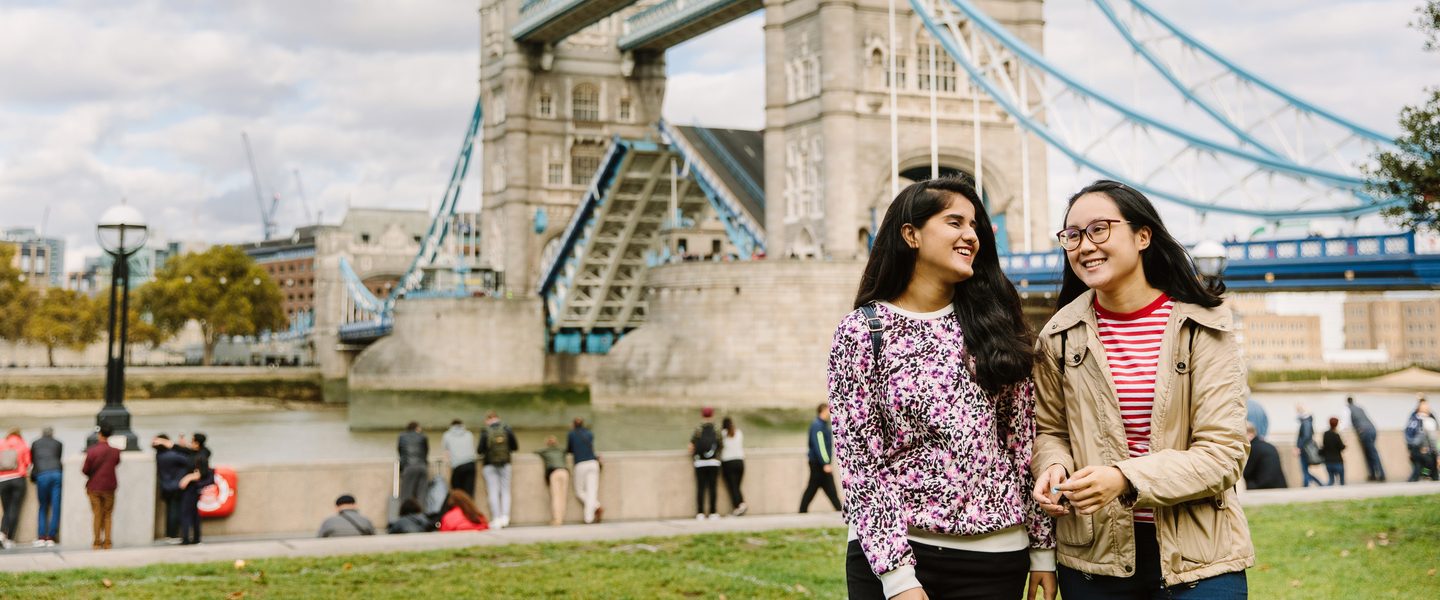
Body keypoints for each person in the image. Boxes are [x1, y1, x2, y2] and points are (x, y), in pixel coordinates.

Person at [830, 177, 1057, 600]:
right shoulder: (863, 332)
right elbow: (860, 463)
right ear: (910, 233)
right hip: (894, 557)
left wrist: (1043, 548)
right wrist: (897, 579)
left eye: (974, 225)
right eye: (955, 222)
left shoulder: (997, 327)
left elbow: (1022, 443)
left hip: (996, 557)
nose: (970, 235)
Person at [1031, 180, 1252, 598]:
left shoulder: (1204, 327)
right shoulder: (1057, 336)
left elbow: (1224, 453)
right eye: (1073, 235)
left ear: (1143, 235)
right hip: (1095, 559)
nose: (1084, 245)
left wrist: (1123, 478)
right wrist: (1054, 467)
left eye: (1099, 229)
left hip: (1200, 558)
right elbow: (1051, 431)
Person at [82, 425, 122, 550]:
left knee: (97, 514)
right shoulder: (115, 451)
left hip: (94, 486)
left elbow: (85, 469)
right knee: (108, 514)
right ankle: (108, 542)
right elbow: (116, 463)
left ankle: (96, 542)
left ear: (99, 435)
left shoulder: (92, 451)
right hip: (109, 486)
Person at [799, 403, 841, 515]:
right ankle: (840, 510)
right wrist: (826, 463)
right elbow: (820, 446)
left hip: (819, 463)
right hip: (819, 464)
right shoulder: (818, 426)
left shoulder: (822, 425)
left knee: (819, 488)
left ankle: (840, 510)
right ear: (822, 410)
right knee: (817, 488)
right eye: (828, 410)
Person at [477, 411, 517, 529]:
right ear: (498, 418)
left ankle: (496, 518)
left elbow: (480, 450)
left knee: (493, 491)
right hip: (506, 463)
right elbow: (515, 447)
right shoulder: (507, 429)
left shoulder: (485, 431)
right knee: (505, 491)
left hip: (489, 464)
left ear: (487, 419)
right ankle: (505, 517)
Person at [152, 434, 193, 544]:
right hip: (175, 487)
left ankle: (169, 534)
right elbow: (191, 458)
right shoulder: (172, 455)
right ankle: (173, 535)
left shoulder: (159, 455)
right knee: (175, 512)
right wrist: (180, 446)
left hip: (165, 486)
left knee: (170, 511)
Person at [178, 433, 214, 545]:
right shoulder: (202, 453)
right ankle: (196, 538)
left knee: (186, 513)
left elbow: (200, 473)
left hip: (192, 488)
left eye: (192, 441)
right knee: (194, 513)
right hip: (196, 488)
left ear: (197, 443)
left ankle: (186, 538)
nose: (190, 443)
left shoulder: (200, 457)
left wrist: (187, 478)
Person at [30, 427, 63, 547]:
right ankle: (52, 536)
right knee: (55, 506)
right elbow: (58, 458)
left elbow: (33, 460)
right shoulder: (58, 443)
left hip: (42, 475)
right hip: (56, 474)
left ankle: (42, 536)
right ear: (52, 434)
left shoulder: (35, 443)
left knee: (43, 506)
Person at [688, 407, 723, 520]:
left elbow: (691, 446)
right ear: (712, 415)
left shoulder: (698, 429)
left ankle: (700, 513)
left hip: (700, 463)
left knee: (701, 488)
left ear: (702, 415)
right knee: (712, 488)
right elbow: (721, 445)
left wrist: (695, 456)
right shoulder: (716, 429)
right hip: (713, 463)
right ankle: (713, 512)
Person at [566, 417, 603, 524]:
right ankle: (590, 517)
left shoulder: (571, 434)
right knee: (592, 491)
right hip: (593, 463)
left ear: (573, 424)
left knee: (580, 491)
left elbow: (569, 449)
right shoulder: (590, 434)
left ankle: (596, 508)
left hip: (580, 464)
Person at [0, 428, 30, 549]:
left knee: (6, 509)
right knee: (15, 508)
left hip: (2, 480)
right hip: (18, 478)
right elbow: (27, 462)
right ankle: (10, 539)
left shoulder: (2, 443)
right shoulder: (22, 444)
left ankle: (2, 533)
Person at [1346, 396, 1385, 482]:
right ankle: (1373, 475)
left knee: (1372, 454)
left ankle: (1381, 474)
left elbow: (1348, 423)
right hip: (1372, 429)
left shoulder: (1349, 409)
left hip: (1365, 432)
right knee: (1370, 453)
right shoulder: (1360, 408)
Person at [1405, 395, 1439, 482]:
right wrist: (1437, 453)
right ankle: (1426, 475)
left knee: (1418, 466)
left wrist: (1410, 448)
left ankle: (1419, 476)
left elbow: (1407, 434)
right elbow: (1432, 440)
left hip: (1415, 449)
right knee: (1430, 463)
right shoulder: (1429, 420)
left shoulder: (1413, 417)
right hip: (1423, 449)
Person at [1243, 423, 1287, 490]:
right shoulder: (1268, 445)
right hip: (1280, 484)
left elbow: (1247, 472)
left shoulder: (1253, 447)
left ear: (1250, 434)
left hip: (1263, 486)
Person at [537, 435, 569, 526]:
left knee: (556, 497)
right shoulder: (561, 450)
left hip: (554, 473)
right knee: (563, 496)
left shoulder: (545, 451)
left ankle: (557, 519)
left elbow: (536, 451)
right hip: (564, 472)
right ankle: (561, 518)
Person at [719, 416, 748, 517]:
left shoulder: (722, 434)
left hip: (728, 462)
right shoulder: (739, 433)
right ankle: (740, 505)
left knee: (733, 486)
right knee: (737, 486)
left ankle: (739, 505)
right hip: (740, 461)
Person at [443, 419, 477, 498]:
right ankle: (469, 509)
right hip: (470, 464)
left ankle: (459, 510)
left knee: (457, 494)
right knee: (469, 494)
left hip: (457, 466)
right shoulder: (469, 434)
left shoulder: (447, 435)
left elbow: (446, 453)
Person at [397, 422, 428, 505]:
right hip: (422, 467)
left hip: (408, 467)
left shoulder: (402, 437)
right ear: (417, 428)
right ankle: (421, 515)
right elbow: (426, 452)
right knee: (422, 496)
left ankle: (406, 516)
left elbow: (400, 452)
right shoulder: (423, 436)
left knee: (406, 496)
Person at [1295, 405, 1324, 487]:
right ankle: (1312, 484)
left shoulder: (1306, 422)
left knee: (1304, 469)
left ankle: (1313, 484)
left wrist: (1299, 447)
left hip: (1305, 449)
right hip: (1305, 448)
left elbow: (1306, 436)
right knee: (1305, 469)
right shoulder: (1308, 422)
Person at [1321, 417, 1346, 486]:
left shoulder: (1325, 434)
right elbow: (1341, 447)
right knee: (1342, 482)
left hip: (1328, 461)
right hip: (1337, 461)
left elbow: (1324, 446)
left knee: (1331, 481)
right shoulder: (1336, 435)